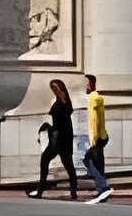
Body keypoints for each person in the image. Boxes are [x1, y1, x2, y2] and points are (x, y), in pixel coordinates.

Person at [35, 79, 79, 199]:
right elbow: (63, 123)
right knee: (68, 165)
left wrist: (46, 127)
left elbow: (58, 125)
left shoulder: (60, 103)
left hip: (58, 139)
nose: (53, 91)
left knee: (46, 161)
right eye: (52, 89)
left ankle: (40, 192)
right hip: (64, 138)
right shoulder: (65, 102)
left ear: (60, 88)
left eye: (55, 88)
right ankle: (73, 192)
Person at [81, 70, 110, 203]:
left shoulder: (94, 98)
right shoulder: (96, 98)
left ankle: (103, 187)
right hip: (101, 136)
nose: (85, 86)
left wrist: (93, 139)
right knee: (98, 164)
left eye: (86, 84)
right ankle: (102, 190)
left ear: (92, 84)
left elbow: (95, 120)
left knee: (88, 160)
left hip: (98, 138)